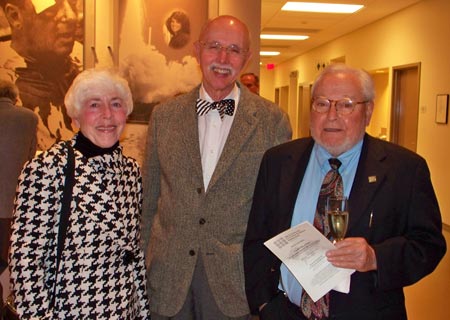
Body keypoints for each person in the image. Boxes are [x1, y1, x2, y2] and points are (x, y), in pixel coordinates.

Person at [243, 63, 447, 320]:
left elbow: (428, 245)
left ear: (368, 111)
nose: (331, 115)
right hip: (285, 312)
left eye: (346, 104)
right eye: (321, 103)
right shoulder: (278, 161)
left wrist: (375, 257)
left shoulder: (403, 170)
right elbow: (256, 238)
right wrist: (265, 304)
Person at [142, 15, 292, 320]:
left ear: (247, 58)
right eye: (214, 47)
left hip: (234, 285)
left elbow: (278, 212)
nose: (223, 59)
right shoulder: (164, 116)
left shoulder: (272, 121)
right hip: (167, 281)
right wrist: (139, 271)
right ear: (197, 51)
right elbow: (149, 199)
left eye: (234, 50)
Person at [9, 68, 150, 319]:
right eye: (94, 104)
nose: (107, 114)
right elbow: (26, 261)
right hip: (72, 312)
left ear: (125, 114)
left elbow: (133, 254)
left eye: (115, 104)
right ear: (75, 117)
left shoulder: (131, 172)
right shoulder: (46, 169)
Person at [0, 0, 83, 150]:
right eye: (52, 9)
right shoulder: (5, 78)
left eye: (73, 4)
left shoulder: (84, 62)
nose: (71, 17)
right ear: (15, 16)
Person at [0, 79, 37, 315]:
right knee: (7, 261)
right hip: (11, 207)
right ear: (14, 96)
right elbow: (31, 159)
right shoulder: (28, 119)